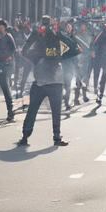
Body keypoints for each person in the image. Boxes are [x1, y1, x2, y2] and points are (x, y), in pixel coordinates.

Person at [18, 17, 77, 147]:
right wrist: (60, 34)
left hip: (42, 82)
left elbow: (24, 51)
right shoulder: (56, 39)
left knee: (33, 110)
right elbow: (73, 47)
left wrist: (35, 37)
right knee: (55, 112)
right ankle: (56, 138)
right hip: (55, 81)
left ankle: (25, 137)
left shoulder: (39, 43)